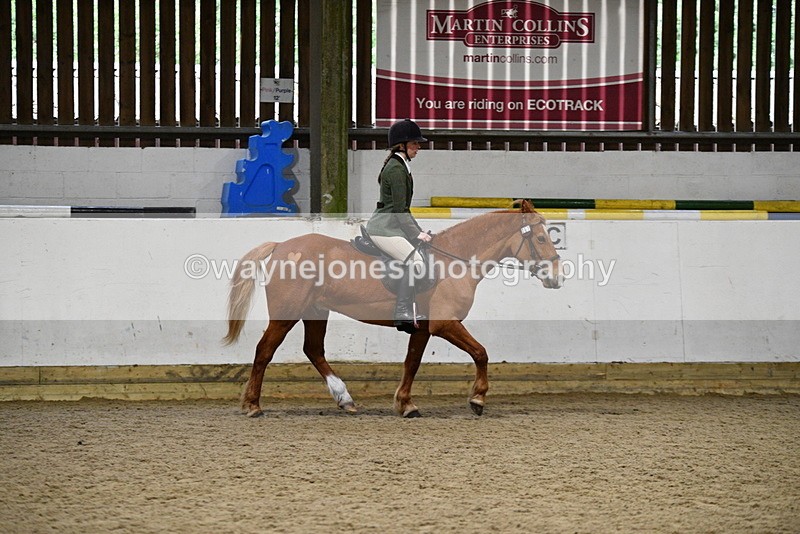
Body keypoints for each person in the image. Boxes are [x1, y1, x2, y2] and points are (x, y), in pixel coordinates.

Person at [366, 119, 432, 333]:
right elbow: (399, 210)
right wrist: (416, 234)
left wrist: (418, 232)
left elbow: (403, 209)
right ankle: (402, 310)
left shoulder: (401, 165)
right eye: (414, 143)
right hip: (384, 228)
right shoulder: (396, 169)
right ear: (401, 145)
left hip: (393, 226)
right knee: (416, 262)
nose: (418, 147)